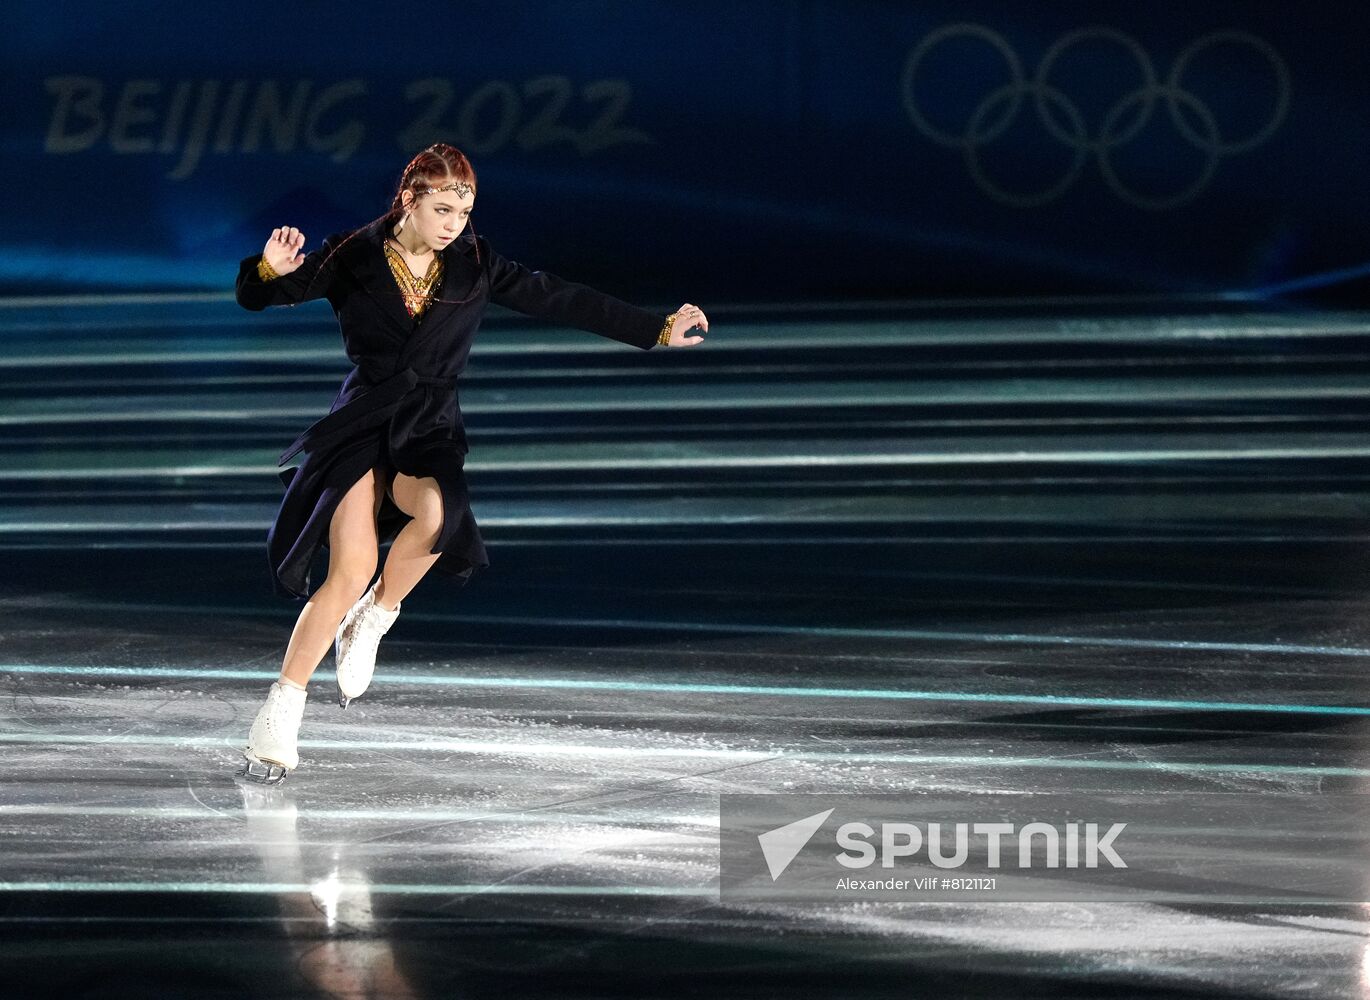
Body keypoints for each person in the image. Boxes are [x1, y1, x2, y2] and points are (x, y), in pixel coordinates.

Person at [232, 142, 709, 783]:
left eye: (465, 209)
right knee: (349, 568)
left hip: (428, 427)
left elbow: (559, 297)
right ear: (410, 200)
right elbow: (272, 294)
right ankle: (280, 712)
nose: (455, 223)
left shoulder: (476, 263)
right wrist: (267, 271)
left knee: (439, 513)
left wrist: (655, 328)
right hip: (365, 419)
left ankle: (377, 617)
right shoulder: (353, 254)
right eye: (443, 208)